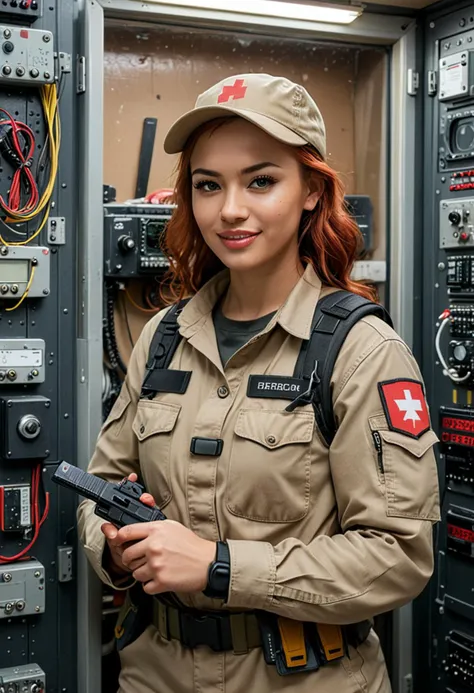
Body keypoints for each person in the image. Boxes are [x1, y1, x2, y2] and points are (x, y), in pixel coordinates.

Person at [77, 73, 440, 693]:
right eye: (208, 185)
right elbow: (100, 487)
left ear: (310, 191)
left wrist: (219, 568)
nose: (230, 210)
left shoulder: (360, 351)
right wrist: (115, 547)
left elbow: (396, 558)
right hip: (155, 674)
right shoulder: (164, 337)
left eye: (261, 180)